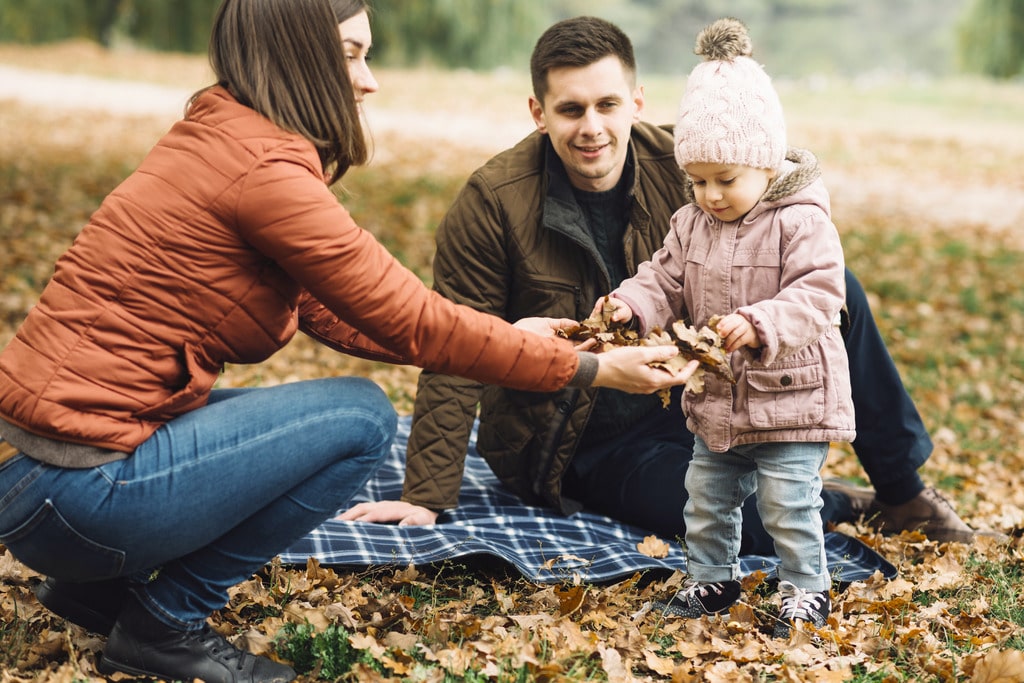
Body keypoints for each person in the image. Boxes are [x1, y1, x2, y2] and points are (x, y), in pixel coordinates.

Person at [0, 2, 696, 683]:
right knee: (361, 419)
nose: (369, 80)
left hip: (45, 480)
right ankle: (164, 622)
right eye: (352, 56)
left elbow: (335, 309)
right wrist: (589, 367)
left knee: (307, 419)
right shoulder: (265, 174)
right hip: (79, 495)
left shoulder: (222, 135)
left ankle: (99, 591)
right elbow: (411, 320)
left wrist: (508, 336)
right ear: (301, 59)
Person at [341, 15, 982, 550]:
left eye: (607, 104)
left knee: (838, 287)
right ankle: (836, 500)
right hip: (580, 435)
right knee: (746, 525)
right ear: (539, 113)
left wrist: (764, 313)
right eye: (570, 109)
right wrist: (424, 496)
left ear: (637, 102)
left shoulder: (691, 161)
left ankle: (902, 493)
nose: (592, 126)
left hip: (693, 399)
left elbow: (780, 199)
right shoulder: (491, 203)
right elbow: (458, 341)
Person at [597, 17, 851, 637]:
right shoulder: (692, 224)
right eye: (698, 180)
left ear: (763, 163)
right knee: (704, 498)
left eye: (725, 180)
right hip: (718, 402)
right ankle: (712, 576)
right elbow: (664, 278)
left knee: (789, 503)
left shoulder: (800, 222)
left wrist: (759, 321)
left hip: (791, 397)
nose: (710, 195)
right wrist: (633, 303)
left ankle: (806, 587)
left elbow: (819, 294)